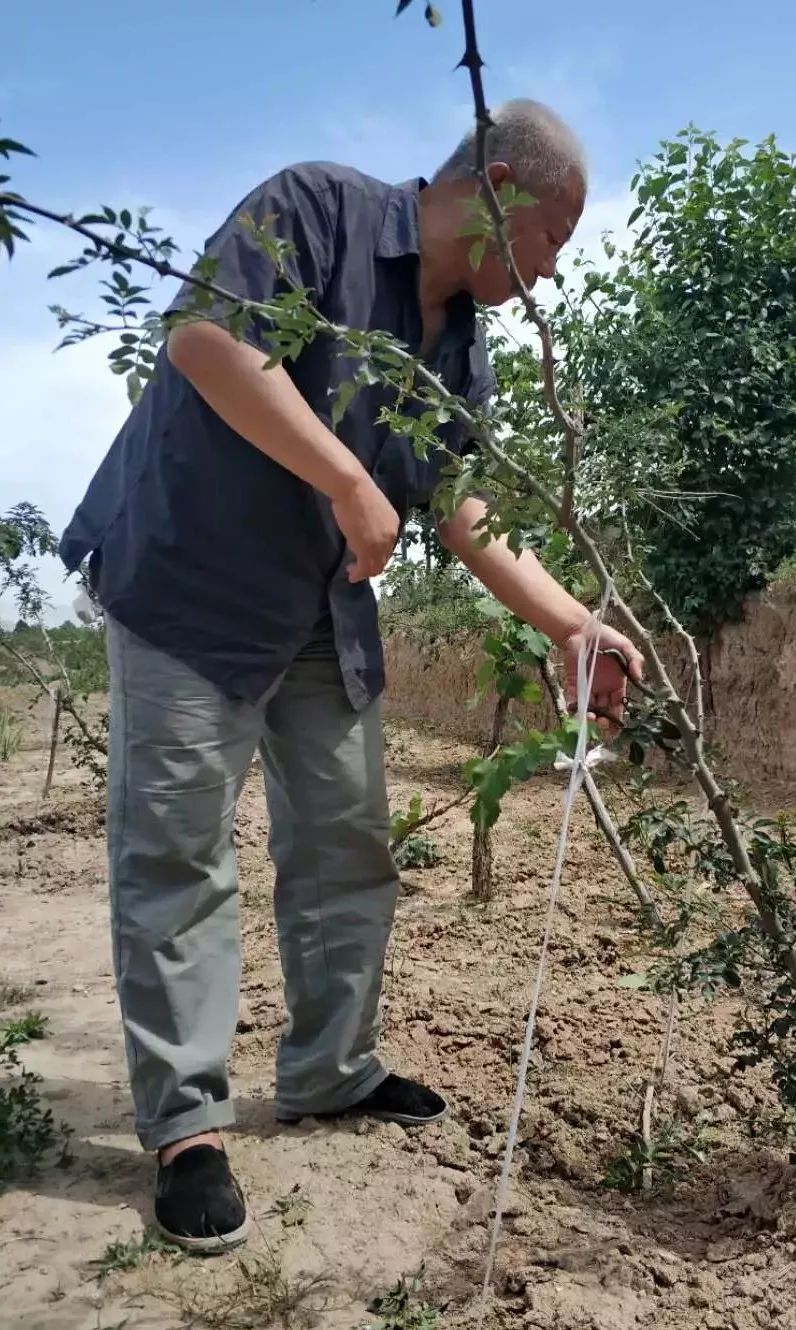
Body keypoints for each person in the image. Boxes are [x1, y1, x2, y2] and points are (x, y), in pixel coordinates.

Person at [59, 98, 643, 1253]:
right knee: (178, 855)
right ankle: (186, 1127)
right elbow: (206, 341)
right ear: (498, 191)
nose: (547, 273)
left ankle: (329, 1070)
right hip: (188, 582)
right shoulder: (316, 210)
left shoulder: (457, 348)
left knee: (344, 842)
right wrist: (346, 478)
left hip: (319, 603)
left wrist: (574, 625)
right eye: (551, 239)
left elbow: (462, 507)